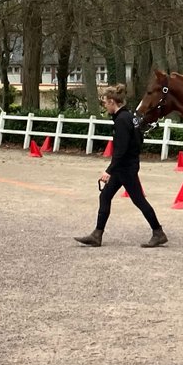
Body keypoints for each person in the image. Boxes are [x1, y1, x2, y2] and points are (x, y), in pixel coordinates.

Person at [75, 84, 167, 249]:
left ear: (112, 102)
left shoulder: (122, 120)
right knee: (105, 196)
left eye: (105, 102)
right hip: (126, 166)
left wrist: (108, 171)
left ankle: (158, 231)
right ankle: (97, 234)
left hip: (125, 168)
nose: (104, 106)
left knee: (139, 200)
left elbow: (120, 149)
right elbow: (139, 140)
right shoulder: (130, 117)